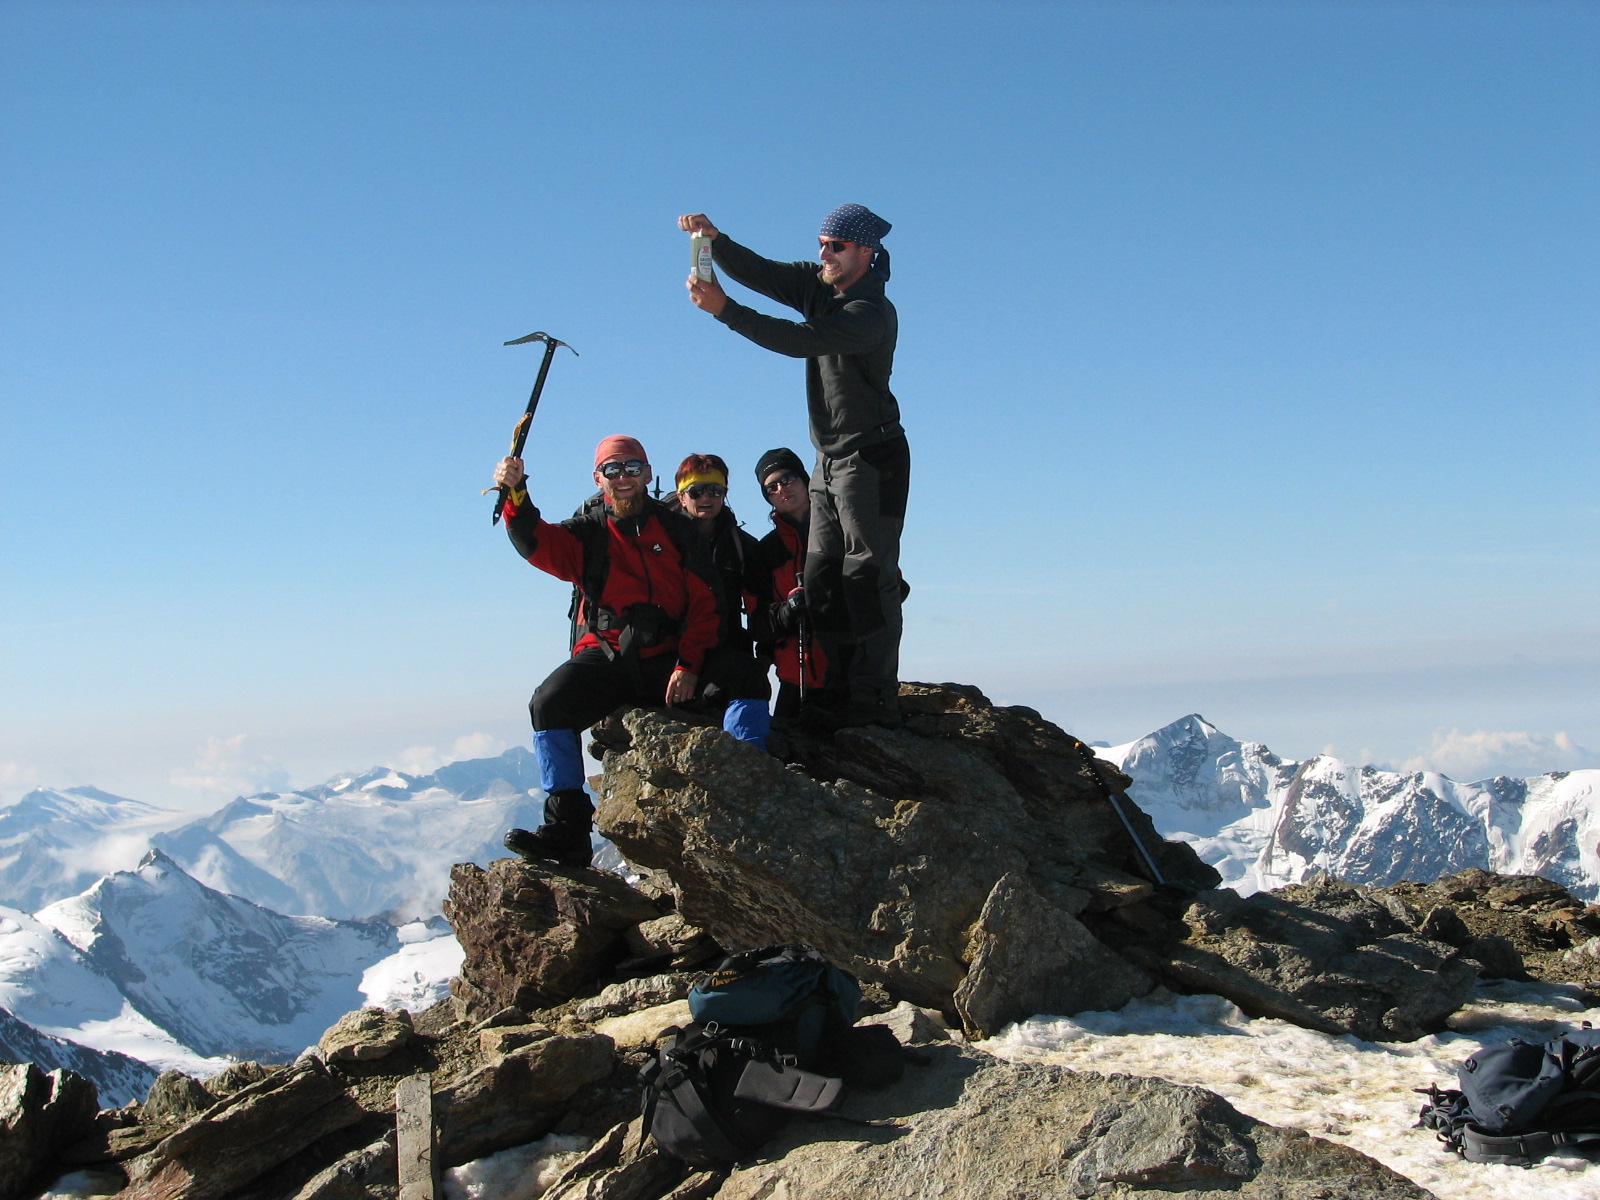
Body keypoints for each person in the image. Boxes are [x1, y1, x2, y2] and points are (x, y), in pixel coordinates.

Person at [678, 203, 908, 729]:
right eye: (822, 242)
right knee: (820, 576)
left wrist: (725, 311)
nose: (824, 253)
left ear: (866, 253)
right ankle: (832, 690)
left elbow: (801, 341)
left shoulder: (870, 313)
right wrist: (717, 241)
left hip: (871, 459)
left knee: (867, 577)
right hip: (829, 459)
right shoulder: (821, 285)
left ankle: (874, 702)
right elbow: (766, 273)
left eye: (837, 246)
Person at [494, 435, 720, 867]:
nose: (623, 478)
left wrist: (689, 664)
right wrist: (515, 493)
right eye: (612, 470)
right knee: (548, 705)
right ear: (598, 478)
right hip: (609, 654)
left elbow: (704, 603)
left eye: (632, 469)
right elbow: (537, 543)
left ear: (648, 475)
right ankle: (567, 832)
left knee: (723, 697)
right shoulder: (589, 530)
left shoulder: (678, 531)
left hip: (668, 658)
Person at [667, 453, 772, 749]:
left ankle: (749, 760)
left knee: (750, 677)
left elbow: (759, 606)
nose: (706, 498)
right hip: (669, 655)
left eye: (715, 490)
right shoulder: (661, 544)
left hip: (723, 651)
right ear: (681, 496)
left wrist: (763, 657)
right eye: (696, 491)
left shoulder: (741, 547)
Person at [752, 448, 825, 720]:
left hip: (850, 674)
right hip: (796, 679)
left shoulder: (842, 532)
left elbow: (887, 584)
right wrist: (788, 610)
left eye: (788, 478)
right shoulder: (765, 552)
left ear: (805, 480)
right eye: (771, 487)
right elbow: (758, 623)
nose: (782, 488)